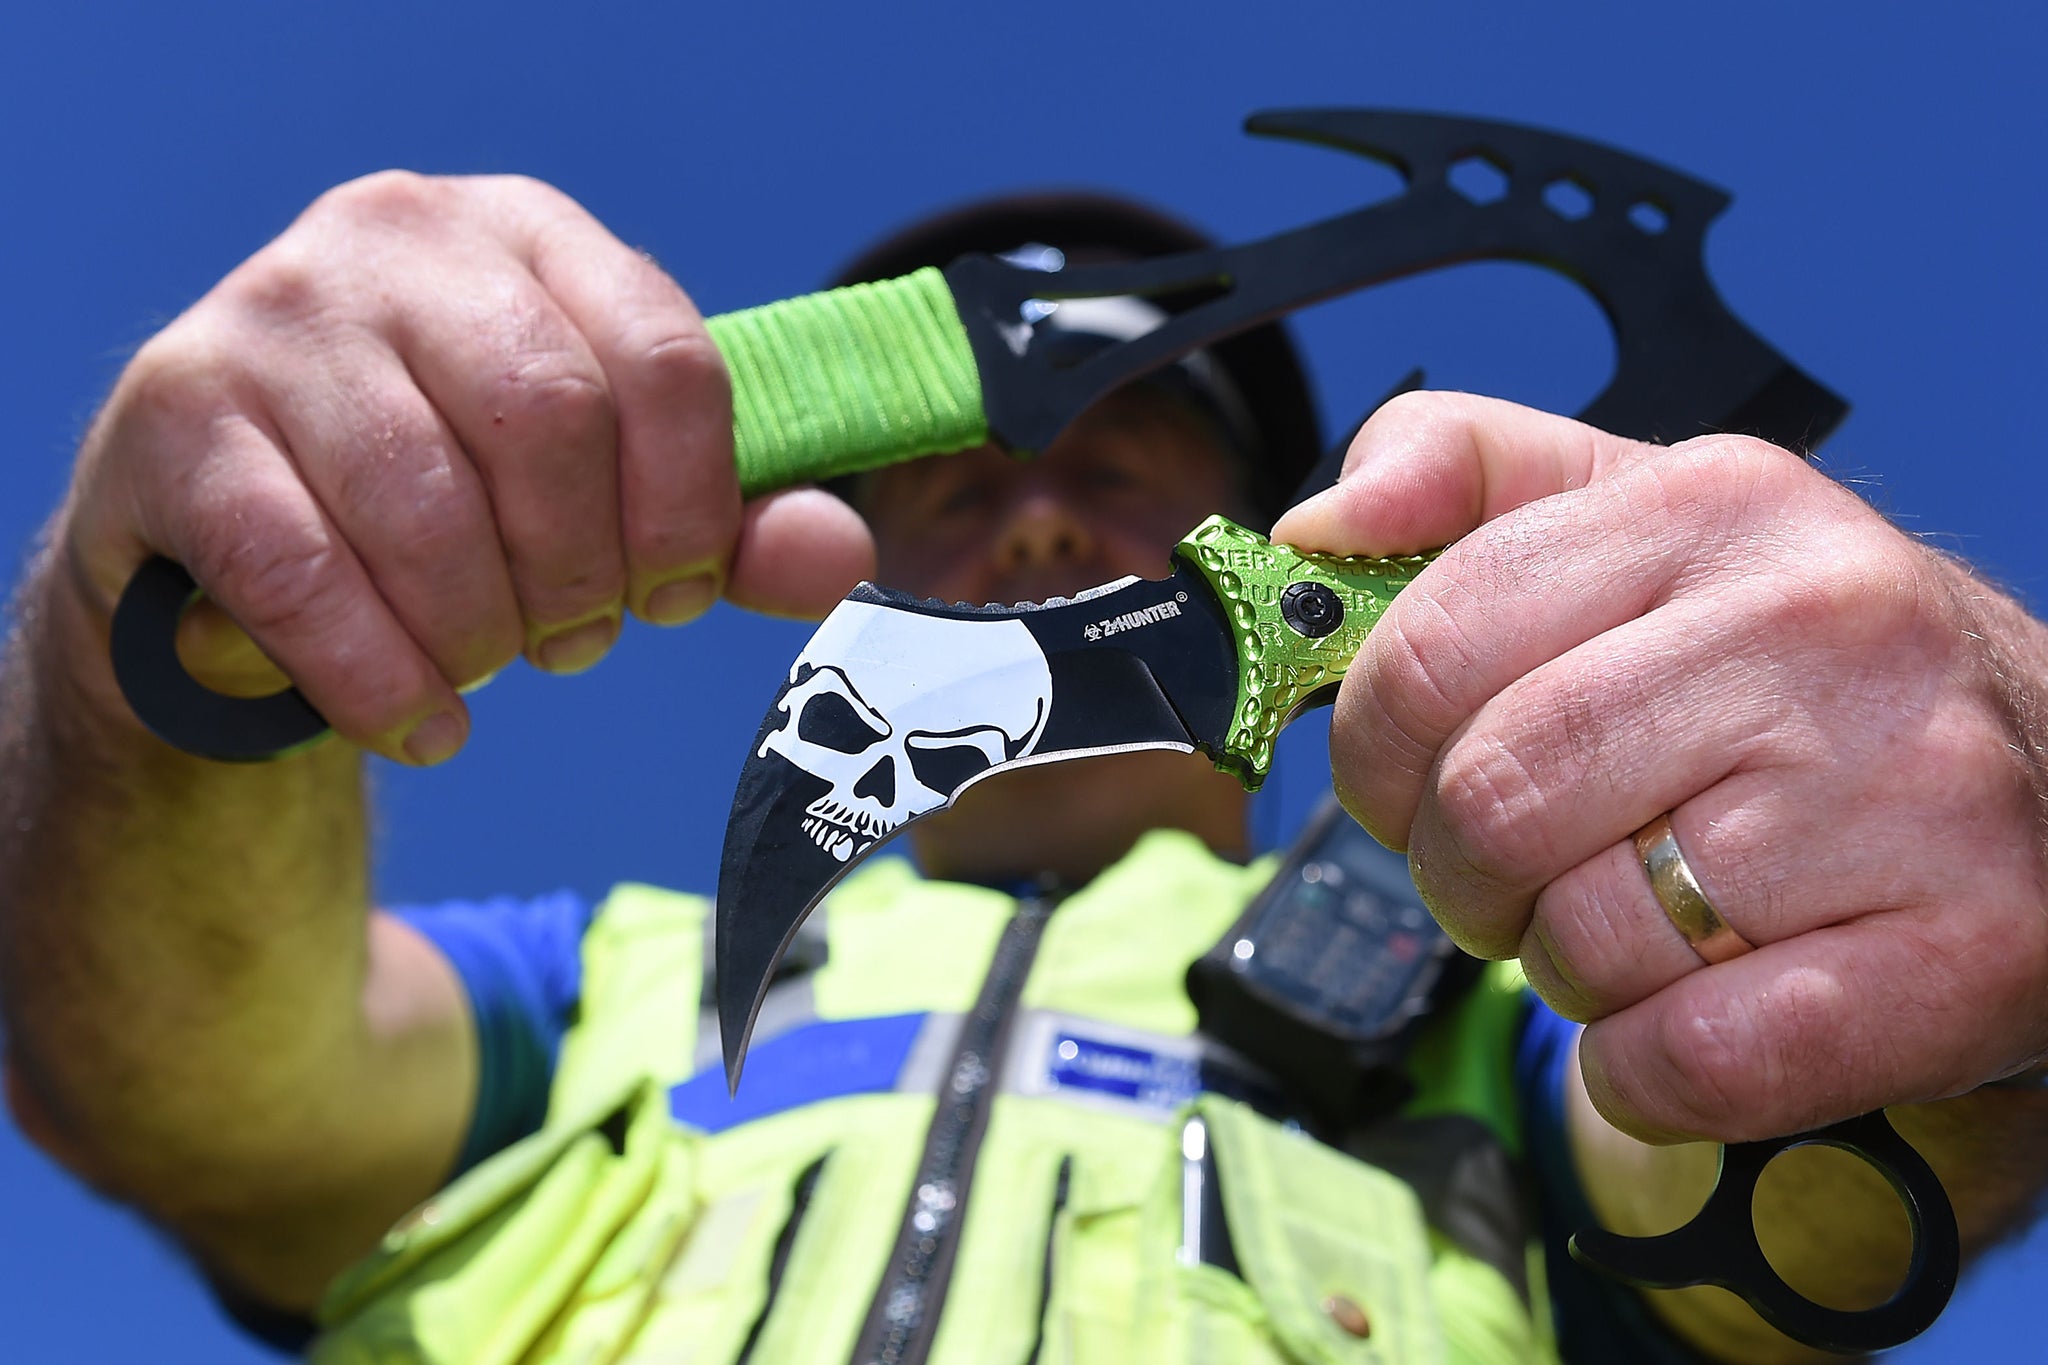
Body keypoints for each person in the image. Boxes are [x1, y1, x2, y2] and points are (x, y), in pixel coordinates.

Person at [1, 169, 2045, 1365]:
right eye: (961, 485)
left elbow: (1850, 1186)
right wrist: (190, 616)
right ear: (836, 571)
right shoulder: (615, 974)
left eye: (1118, 461)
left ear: (1307, 554)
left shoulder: (1509, 995)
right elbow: (176, 1068)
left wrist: (1955, 846)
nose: (1043, 521)